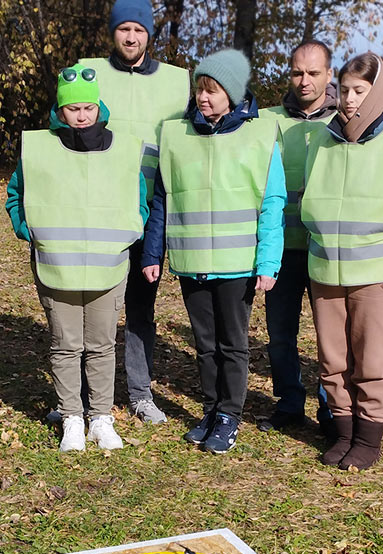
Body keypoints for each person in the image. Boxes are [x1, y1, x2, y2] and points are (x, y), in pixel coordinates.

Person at [141, 49, 286, 454]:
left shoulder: (260, 135)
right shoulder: (176, 134)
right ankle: (210, 408)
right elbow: (162, 200)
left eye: (213, 90)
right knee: (205, 344)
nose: (203, 97)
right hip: (193, 262)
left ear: (233, 93)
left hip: (238, 264)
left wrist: (268, 262)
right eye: (200, 89)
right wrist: (154, 255)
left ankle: (229, 416)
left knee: (232, 344)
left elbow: (273, 202)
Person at [5, 65, 148, 452]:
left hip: (109, 266)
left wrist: (134, 228)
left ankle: (101, 417)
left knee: (102, 344)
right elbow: (17, 194)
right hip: (57, 266)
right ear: (60, 110)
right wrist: (27, 228)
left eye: (87, 107)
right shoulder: (39, 149)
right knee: (66, 344)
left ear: (98, 106)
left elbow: (139, 200)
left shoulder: (124, 148)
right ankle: (71, 417)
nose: (81, 115)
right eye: (73, 109)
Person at [303, 53, 383, 469]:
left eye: (359, 91)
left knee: (372, 361)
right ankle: (343, 434)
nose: (349, 99)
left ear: (377, 93)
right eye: (343, 90)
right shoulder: (320, 140)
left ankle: (368, 437)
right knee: (333, 359)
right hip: (325, 270)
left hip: (375, 274)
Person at [76, 0, 192, 425]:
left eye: (138, 30)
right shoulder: (90, 73)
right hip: (98, 210)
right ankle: (85, 392)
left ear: (149, 34)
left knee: (140, 306)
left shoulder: (177, 82)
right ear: (113, 32)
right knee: (92, 303)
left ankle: (140, 392)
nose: (130, 37)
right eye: (123, 29)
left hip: (149, 213)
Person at [257, 40, 337, 436]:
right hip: (281, 248)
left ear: (329, 74)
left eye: (313, 73)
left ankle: (330, 407)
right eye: (296, 72)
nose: (304, 81)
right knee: (281, 334)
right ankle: (289, 402)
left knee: (330, 335)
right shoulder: (265, 120)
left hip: (327, 247)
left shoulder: (344, 119)